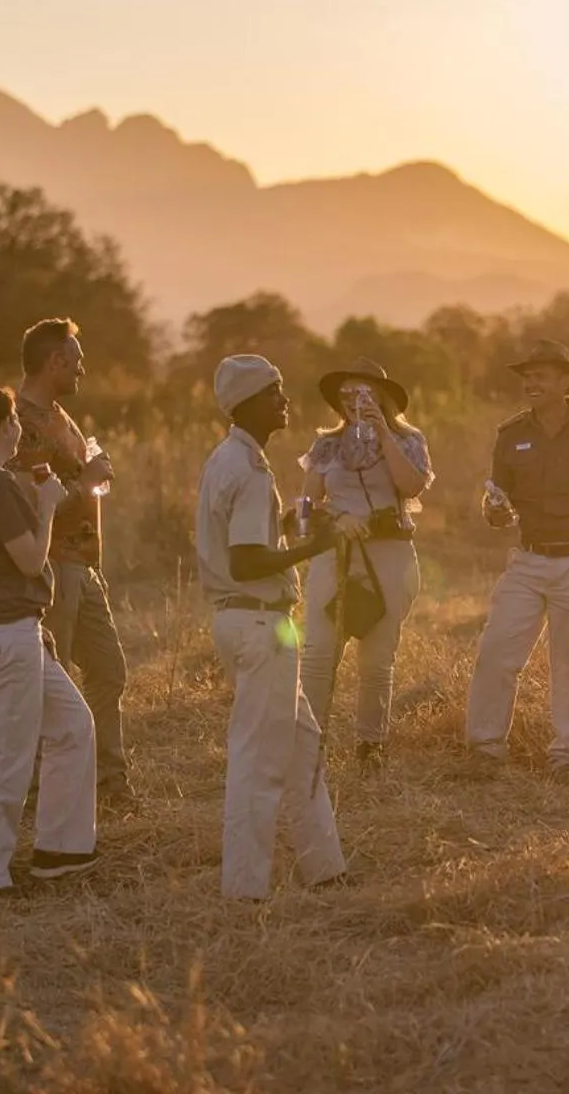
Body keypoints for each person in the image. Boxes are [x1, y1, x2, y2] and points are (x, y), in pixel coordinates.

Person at [197, 354, 351, 900]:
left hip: (255, 622)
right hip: (259, 622)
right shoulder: (249, 469)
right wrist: (313, 547)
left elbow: (248, 540)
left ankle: (325, 868)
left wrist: (290, 525)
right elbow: (246, 562)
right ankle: (245, 889)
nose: (284, 400)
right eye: (273, 391)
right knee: (258, 761)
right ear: (247, 403)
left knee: (303, 746)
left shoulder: (232, 458)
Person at [0, 387, 99, 891]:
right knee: (4, 756)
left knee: (72, 724)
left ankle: (61, 849)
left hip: (3, 629)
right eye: (14, 421)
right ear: (6, 427)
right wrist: (48, 506)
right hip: (6, 633)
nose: (19, 429)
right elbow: (30, 561)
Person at [464, 339, 569, 777]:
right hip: (528, 561)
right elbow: (496, 503)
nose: (530, 384)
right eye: (527, 377)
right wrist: (495, 512)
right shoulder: (511, 435)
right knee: (496, 651)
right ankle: (485, 747)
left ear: (564, 382)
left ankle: (568, 755)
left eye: (540, 376)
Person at [6, 317, 135, 812]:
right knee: (49, 684)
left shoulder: (61, 416)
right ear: (54, 362)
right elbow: (27, 508)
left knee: (109, 671)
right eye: (76, 361)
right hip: (52, 569)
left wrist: (91, 478)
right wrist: (86, 481)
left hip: (83, 566)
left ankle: (108, 784)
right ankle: (40, 793)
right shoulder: (20, 425)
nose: (83, 369)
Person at [298, 358, 434, 772]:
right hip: (337, 553)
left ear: (380, 397)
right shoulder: (326, 446)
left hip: (389, 552)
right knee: (318, 652)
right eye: (345, 394)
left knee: (377, 658)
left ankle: (370, 745)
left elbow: (412, 485)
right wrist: (336, 518)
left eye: (362, 393)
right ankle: (308, 742)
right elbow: (305, 508)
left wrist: (383, 433)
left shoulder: (408, 440)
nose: (352, 400)